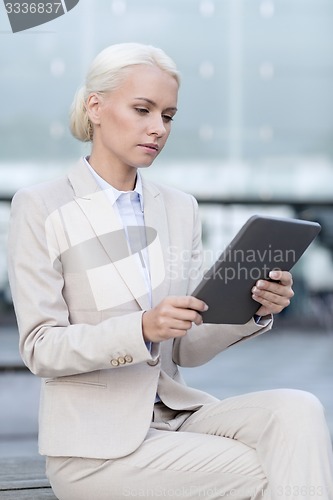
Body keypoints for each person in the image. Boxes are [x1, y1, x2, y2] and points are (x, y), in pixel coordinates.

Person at [7, 42, 333, 500]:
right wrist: (140, 328)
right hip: (95, 450)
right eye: (142, 109)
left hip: (178, 416)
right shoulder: (41, 206)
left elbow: (186, 350)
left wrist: (252, 310)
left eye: (168, 115)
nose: (157, 128)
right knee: (279, 468)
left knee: (298, 410)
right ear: (95, 106)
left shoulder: (180, 208)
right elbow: (41, 348)